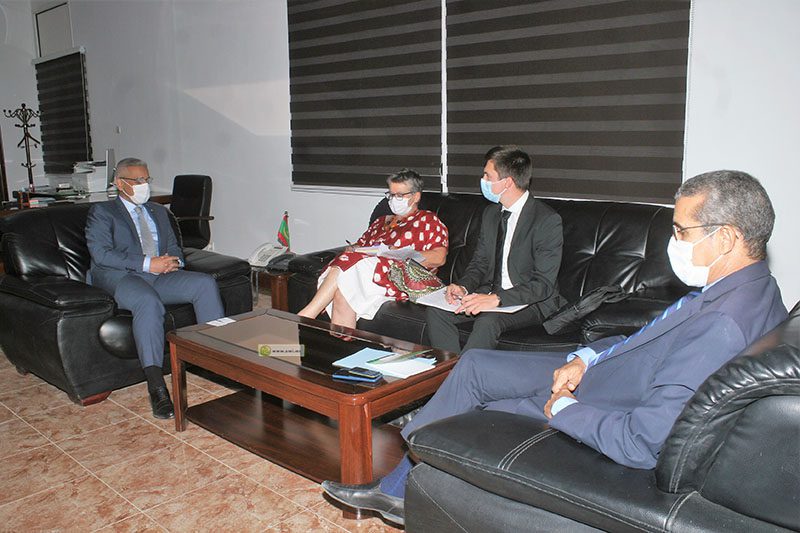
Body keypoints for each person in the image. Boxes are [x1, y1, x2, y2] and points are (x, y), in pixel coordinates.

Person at [322, 170, 788, 525]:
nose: (674, 242)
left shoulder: (724, 325)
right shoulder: (751, 289)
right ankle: (404, 475)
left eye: (682, 231)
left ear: (727, 238)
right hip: (595, 370)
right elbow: (649, 337)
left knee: (481, 404)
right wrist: (587, 356)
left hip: (601, 396)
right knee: (476, 364)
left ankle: (400, 488)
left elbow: (643, 442)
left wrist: (563, 407)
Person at [85, 157, 225, 419]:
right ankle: (157, 387)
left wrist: (174, 262)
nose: (144, 185)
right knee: (148, 302)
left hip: (160, 275)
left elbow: (174, 248)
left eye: (146, 179)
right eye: (137, 180)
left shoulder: (159, 212)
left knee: (205, 284)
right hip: (121, 277)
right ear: (119, 183)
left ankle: (216, 360)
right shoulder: (103, 212)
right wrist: (149, 263)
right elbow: (101, 254)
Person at [426, 146, 565, 353]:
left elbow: (543, 284)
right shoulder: (491, 214)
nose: (483, 180)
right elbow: (480, 263)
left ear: (507, 182)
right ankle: (448, 370)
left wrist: (497, 299)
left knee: (488, 321)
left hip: (531, 302)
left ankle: (464, 373)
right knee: (437, 312)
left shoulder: (546, 220)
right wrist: (463, 287)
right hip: (491, 291)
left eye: (487, 176)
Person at [298, 169, 448, 330]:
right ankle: (340, 341)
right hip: (367, 272)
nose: (393, 200)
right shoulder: (381, 222)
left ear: (416, 196)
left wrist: (397, 252)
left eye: (399, 195)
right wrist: (354, 248)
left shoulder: (428, 220)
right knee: (343, 289)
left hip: (400, 276)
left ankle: (306, 316)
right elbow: (362, 245)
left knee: (347, 267)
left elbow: (439, 258)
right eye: (391, 195)